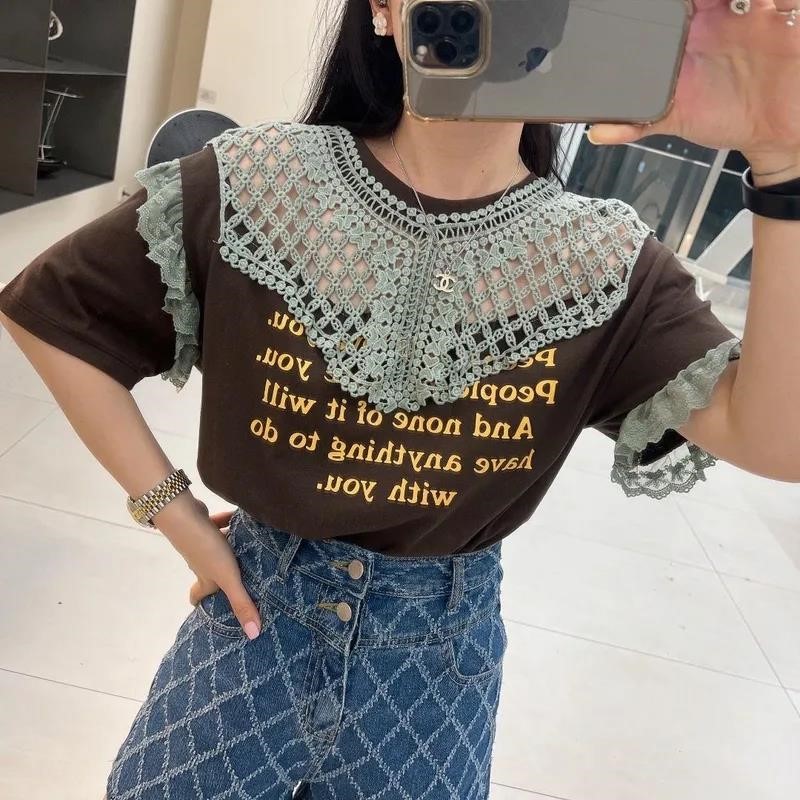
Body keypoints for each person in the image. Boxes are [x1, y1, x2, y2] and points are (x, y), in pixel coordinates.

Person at [1, 1, 799, 798]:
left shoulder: (605, 261)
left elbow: (776, 441)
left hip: (435, 677)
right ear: (384, 8)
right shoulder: (258, 182)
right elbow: (53, 310)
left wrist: (782, 162)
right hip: (248, 627)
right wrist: (170, 510)